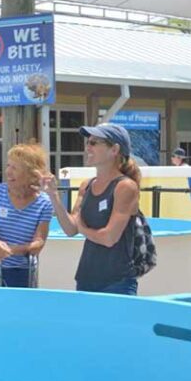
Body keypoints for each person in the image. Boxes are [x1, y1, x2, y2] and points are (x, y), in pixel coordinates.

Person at [41, 123, 141, 295]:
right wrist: (54, 196)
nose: (88, 147)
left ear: (114, 150)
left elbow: (109, 238)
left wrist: (83, 228)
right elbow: (70, 229)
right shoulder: (86, 185)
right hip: (86, 278)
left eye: (94, 143)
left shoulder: (125, 187)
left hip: (118, 282)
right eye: (88, 142)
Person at [0, 143, 52, 287]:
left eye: (15, 168)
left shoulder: (44, 202)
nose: (8, 172)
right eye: (8, 166)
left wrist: (10, 250)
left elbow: (38, 243)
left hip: (20, 271)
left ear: (31, 173)